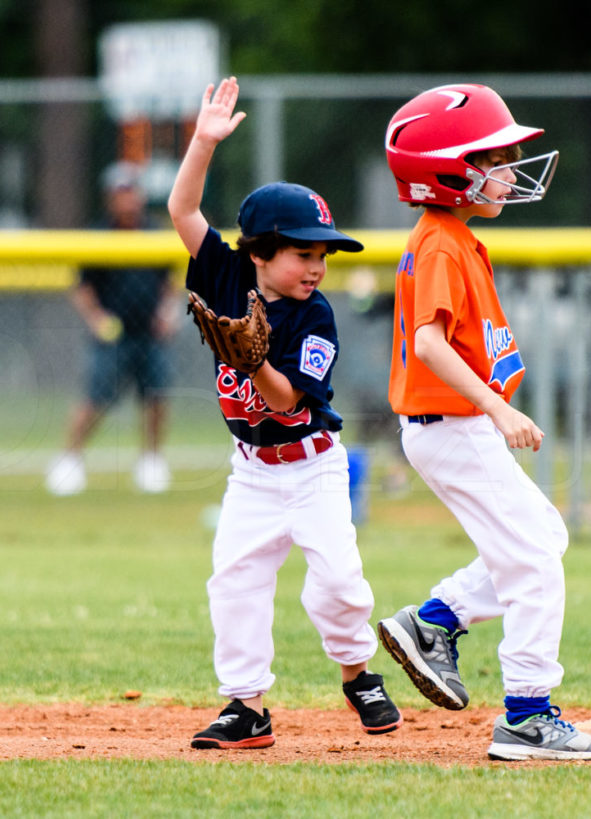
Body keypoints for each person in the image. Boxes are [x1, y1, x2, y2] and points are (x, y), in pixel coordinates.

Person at [375, 83, 591, 762]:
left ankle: (433, 621)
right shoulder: (444, 244)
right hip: (452, 424)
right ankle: (527, 716)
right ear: (447, 172)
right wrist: (498, 406)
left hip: (452, 426)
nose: (509, 171)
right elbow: (428, 344)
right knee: (535, 561)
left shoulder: (451, 237)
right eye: (494, 158)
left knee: (543, 536)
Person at [167, 76, 401, 749]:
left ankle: (357, 671)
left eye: (323, 253)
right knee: (234, 579)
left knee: (338, 583)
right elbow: (184, 212)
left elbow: (285, 398)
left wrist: (250, 360)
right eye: (304, 252)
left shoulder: (315, 314)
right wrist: (203, 144)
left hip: (312, 468)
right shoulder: (226, 275)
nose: (318, 265)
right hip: (252, 471)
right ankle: (246, 706)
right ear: (259, 251)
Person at [45, 161, 178, 496]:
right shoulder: (98, 234)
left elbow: (170, 281)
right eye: (120, 193)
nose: (127, 199)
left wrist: (168, 312)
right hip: (112, 334)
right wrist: (96, 318)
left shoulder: (155, 232)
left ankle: (151, 461)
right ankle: (70, 460)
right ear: (109, 198)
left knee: (156, 397)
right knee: (95, 398)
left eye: (131, 191)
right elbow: (82, 286)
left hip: (149, 331)